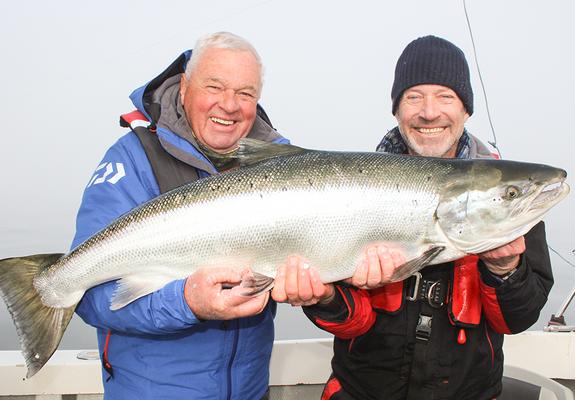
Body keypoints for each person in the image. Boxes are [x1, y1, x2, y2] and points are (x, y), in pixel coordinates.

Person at [273, 35, 554, 400]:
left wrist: (505, 272)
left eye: (445, 97)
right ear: (397, 109)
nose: (429, 112)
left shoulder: (504, 200)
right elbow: (351, 324)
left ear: (466, 110)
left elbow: (518, 318)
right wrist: (322, 297)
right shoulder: (352, 194)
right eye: (414, 96)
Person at [72, 32, 289, 400]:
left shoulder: (282, 166)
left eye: (245, 93)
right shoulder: (132, 160)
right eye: (214, 86)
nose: (229, 105)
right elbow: (86, 294)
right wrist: (186, 302)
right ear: (185, 88)